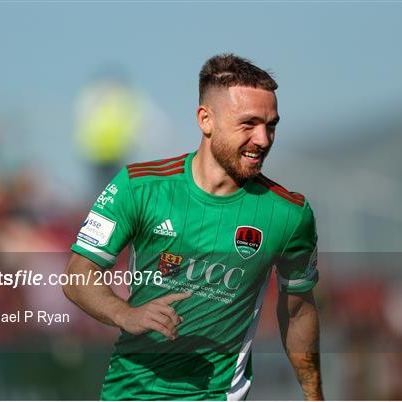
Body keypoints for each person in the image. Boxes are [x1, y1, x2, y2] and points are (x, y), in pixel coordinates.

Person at [63, 54, 323, 401]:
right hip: (129, 393)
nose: (262, 138)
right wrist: (125, 313)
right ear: (206, 120)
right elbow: (78, 274)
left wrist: (314, 394)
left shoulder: (290, 215)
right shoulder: (138, 187)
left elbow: (298, 310)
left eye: (270, 125)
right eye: (248, 124)